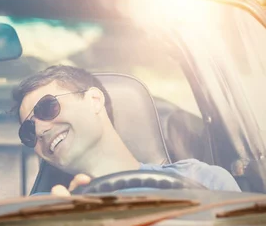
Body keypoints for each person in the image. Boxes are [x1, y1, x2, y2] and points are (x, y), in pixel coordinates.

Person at [12, 65, 241, 195]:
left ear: (94, 100)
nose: (40, 130)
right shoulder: (43, 208)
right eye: (29, 131)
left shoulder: (206, 180)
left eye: (47, 108)